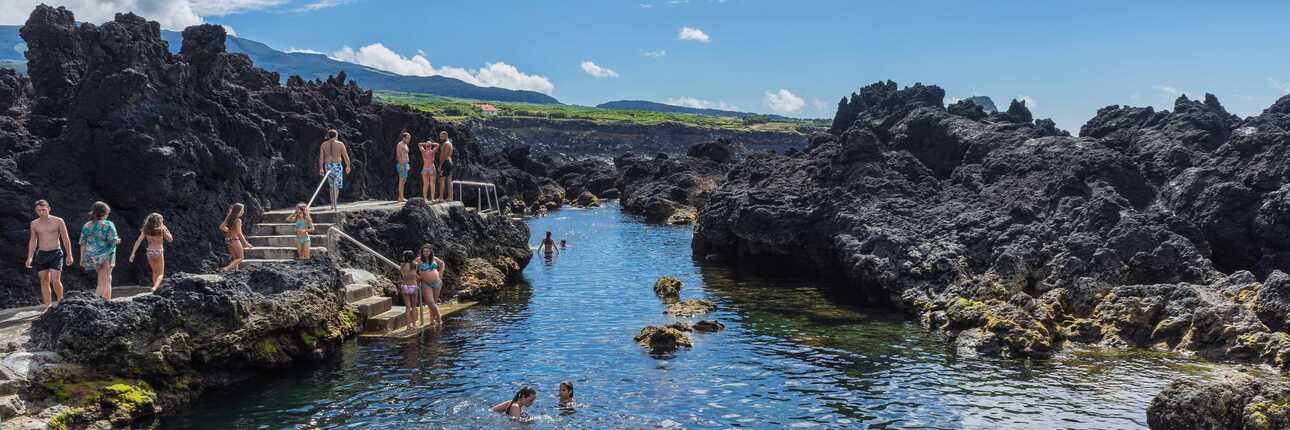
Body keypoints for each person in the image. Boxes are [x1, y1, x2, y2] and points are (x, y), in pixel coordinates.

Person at [25, 200, 73, 311]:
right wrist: (30, 257)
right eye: (38, 210)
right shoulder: (34, 223)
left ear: (49, 209)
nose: (41, 212)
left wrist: (69, 254)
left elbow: (65, 238)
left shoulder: (58, 221)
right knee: (44, 281)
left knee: (55, 280)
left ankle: (61, 302)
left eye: (43, 210)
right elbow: (33, 240)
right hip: (41, 254)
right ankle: (48, 306)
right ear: (35, 211)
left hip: (56, 253)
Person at [79, 201, 120, 300]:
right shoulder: (108, 224)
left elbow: (82, 242)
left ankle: (107, 300)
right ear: (105, 213)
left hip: (92, 256)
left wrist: (82, 258)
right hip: (106, 256)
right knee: (102, 281)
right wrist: (118, 240)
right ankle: (95, 302)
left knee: (107, 278)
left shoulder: (87, 225)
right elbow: (113, 240)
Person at [128, 212, 174, 292]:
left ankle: (154, 288)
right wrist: (165, 228)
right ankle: (155, 288)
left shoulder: (146, 229)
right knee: (160, 274)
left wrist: (133, 253)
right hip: (158, 251)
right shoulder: (161, 229)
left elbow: (138, 241)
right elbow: (170, 239)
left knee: (154, 272)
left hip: (149, 252)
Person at [318, 129, 352, 211]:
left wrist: (321, 168)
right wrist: (348, 166)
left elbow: (321, 158)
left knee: (331, 185)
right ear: (336, 135)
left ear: (328, 136)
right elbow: (345, 156)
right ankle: (334, 203)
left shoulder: (324, 144)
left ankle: (332, 204)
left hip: (328, 166)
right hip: (337, 166)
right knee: (336, 185)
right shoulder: (340, 144)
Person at [416, 244, 445, 328]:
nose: (425, 253)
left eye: (427, 251)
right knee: (430, 302)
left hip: (437, 283)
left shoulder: (434, 258)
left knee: (434, 303)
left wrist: (440, 273)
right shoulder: (418, 259)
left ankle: (432, 320)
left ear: (430, 252)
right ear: (422, 252)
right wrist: (417, 276)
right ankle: (439, 319)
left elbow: (442, 264)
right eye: (424, 251)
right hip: (426, 284)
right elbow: (412, 267)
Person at [219, 203, 253, 272]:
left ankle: (236, 271)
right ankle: (226, 268)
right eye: (242, 210)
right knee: (240, 257)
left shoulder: (229, 218)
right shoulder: (238, 220)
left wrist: (230, 230)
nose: (243, 212)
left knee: (235, 258)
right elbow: (239, 233)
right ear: (239, 211)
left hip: (227, 240)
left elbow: (221, 227)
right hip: (234, 240)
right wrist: (246, 243)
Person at [398, 250, 421, 330]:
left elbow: (402, 274)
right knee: (414, 307)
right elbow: (415, 274)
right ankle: (414, 325)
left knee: (408, 307)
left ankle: (408, 326)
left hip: (405, 286)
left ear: (405, 257)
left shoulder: (402, 265)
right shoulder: (415, 265)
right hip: (413, 286)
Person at [417, 136, 441, 201]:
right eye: (428, 146)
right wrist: (431, 144)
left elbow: (419, 144)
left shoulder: (423, 151)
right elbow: (438, 145)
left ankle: (426, 198)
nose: (428, 146)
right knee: (431, 184)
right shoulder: (432, 151)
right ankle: (431, 198)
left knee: (426, 184)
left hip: (425, 167)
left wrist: (426, 144)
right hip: (430, 167)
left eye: (428, 146)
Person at [434, 131, 455, 202]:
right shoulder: (450, 143)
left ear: (446, 135)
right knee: (449, 180)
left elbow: (444, 155)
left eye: (441, 136)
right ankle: (450, 197)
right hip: (450, 162)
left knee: (441, 180)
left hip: (445, 163)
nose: (440, 138)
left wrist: (440, 165)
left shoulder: (446, 144)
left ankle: (441, 197)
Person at [394, 132, 412, 202]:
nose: (409, 139)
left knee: (404, 180)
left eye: (409, 138)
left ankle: (400, 196)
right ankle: (401, 197)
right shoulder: (400, 144)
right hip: (402, 164)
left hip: (406, 164)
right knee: (401, 180)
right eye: (408, 138)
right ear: (404, 138)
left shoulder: (405, 145)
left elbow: (406, 155)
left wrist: (407, 164)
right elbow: (398, 155)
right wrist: (401, 164)